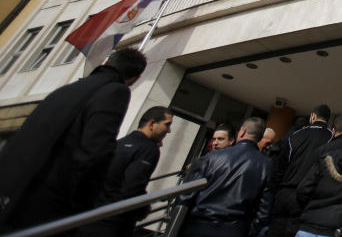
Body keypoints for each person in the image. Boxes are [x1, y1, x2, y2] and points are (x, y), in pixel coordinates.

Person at [0, 48, 147, 230]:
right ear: (135, 78)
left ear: (106, 63)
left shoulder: (67, 90)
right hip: (44, 206)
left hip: (12, 192)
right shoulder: (115, 91)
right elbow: (96, 152)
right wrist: (83, 208)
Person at [79, 106, 174, 237]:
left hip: (90, 216)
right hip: (114, 222)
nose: (169, 130)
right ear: (152, 124)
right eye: (167, 124)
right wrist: (142, 208)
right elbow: (133, 186)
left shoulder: (119, 143)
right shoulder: (149, 149)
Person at [177, 117, 273, 237]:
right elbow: (264, 211)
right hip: (234, 229)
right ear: (259, 137)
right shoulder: (266, 166)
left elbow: (186, 195)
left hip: (198, 224)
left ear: (242, 131)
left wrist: (178, 225)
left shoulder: (211, 157)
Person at [266, 105, 333, 237]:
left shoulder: (295, 135)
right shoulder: (330, 138)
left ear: (312, 116)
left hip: (284, 193)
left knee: (275, 230)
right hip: (307, 196)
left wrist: (275, 189)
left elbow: (281, 166)